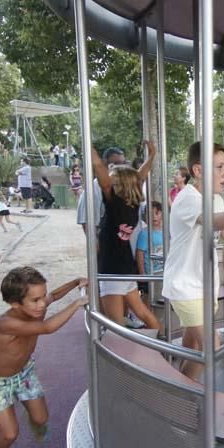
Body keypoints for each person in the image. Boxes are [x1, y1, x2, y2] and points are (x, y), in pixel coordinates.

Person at [0, 267, 87, 448]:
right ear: (15, 303)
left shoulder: (34, 307)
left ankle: (34, 418)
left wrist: (75, 281)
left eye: (42, 297)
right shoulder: (4, 322)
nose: (42, 304)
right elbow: (47, 328)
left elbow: (54, 296)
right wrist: (77, 304)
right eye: (35, 300)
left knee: (41, 419)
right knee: (9, 434)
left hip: (24, 373)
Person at [162, 143, 224, 381]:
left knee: (193, 348)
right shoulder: (188, 198)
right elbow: (212, 221)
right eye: (219, 167)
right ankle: (186, 397)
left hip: (205, 286)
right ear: (198, 171)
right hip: (184, 286)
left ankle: (179, 390)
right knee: (211, 344)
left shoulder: (216, 199)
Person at [93, 140, 162, 333]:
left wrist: (89, 148)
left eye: (112, 180)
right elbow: (140, 176)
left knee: (116, 325)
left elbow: (99, 168)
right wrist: (152, 155)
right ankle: (162, 343)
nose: (109, 182)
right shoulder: (133, 203)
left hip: (112, 270)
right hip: (126, 268)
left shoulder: (114, 203)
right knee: (144, 314)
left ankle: (129, 357)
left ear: (119, 185)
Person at [77, 146, 126, 241]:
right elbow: (87, 222)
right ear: (105, 163)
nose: (120, 168)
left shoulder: (127, 185)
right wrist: (97, 247)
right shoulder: (93, 189)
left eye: (122, 163)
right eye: (115, 164)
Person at [135, 200, 164, 296]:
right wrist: (142, 274)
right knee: (151, 297)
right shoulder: (144, 234)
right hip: (151, 273)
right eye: (150, 214)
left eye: (157, 213)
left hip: (164, 271)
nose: (154, 216)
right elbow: (140, 254)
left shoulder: (166, 231)